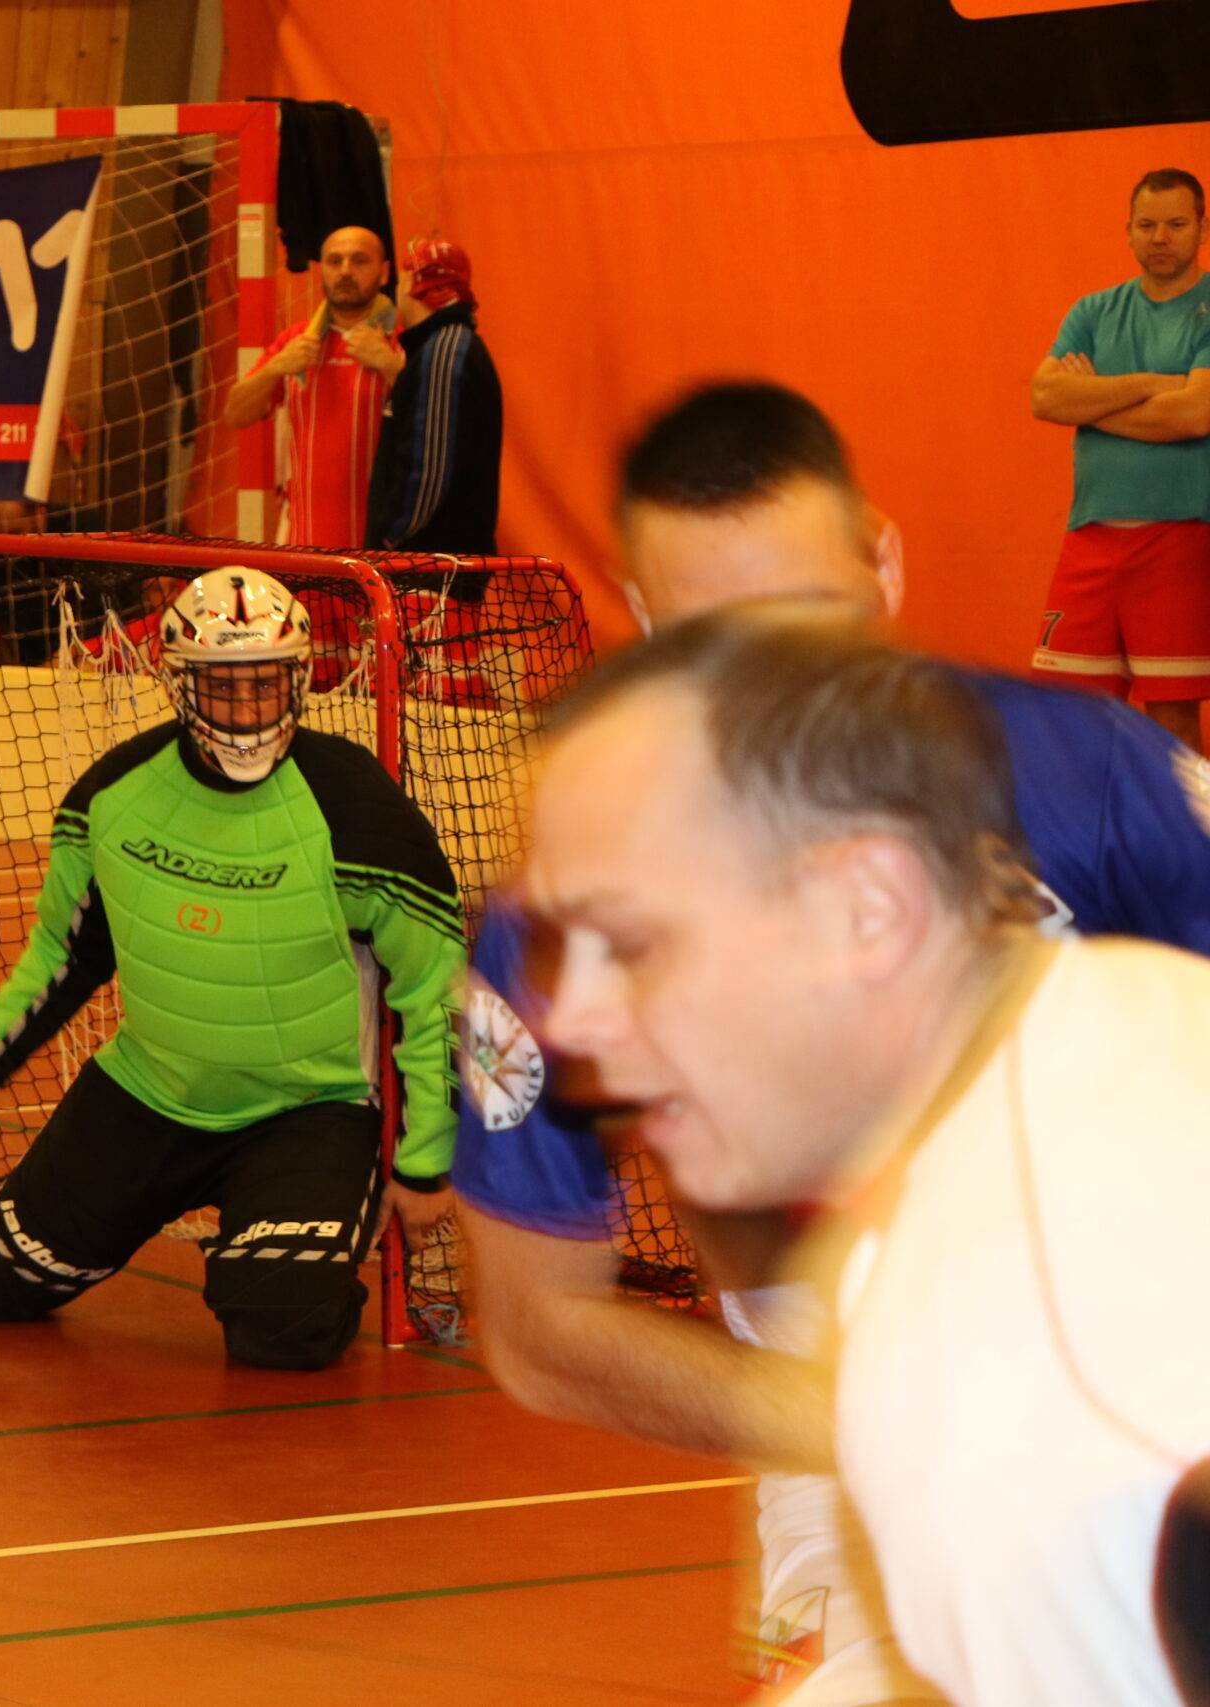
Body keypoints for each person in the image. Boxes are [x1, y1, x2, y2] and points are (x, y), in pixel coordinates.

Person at [458, 380, 1210, 1703]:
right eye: (719, 646)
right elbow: (537, 1327)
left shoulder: (1098, 784)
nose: (591, 1022)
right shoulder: (574, 889)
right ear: (646, 623)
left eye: (803, 627)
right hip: (844, 1380)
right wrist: (869, 1404)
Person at [0, 568, 465, 1370]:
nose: (246, 711)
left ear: (300, 679)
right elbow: (65, 951)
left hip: (310, 1112)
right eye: (222, 686)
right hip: (146, 1096)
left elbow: (437, 988)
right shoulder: (113, 796)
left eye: (266, 684)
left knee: (285, 1326)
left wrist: (425, 1161)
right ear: (180, 684)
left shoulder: (357, 808)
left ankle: (280, 1246)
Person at [1028, 168, 1210, 751]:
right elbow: (1045, 397)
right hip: (1090, 538)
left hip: (1178, 537)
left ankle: (1184, 819)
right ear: (1128, 231)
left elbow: (1194, 415)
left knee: (1172, 720)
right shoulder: (1093, 311)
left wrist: (1092, 402)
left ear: (1202, 229)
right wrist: (1154, 384)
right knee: (1068, 716)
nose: (1161, 237)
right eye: (1147, 225)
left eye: (1176, 224)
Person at [221, 225, 401, 548]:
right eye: (334, 261)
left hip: (384, 548)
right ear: (321, 271)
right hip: (307, 545)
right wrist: (277, 366)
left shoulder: (402, 341)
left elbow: (437, 419)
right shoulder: (298, 341)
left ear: (384, 272)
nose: (345, 271)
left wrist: (390, 365)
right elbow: (235, 413)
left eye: (359, 260)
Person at [366, 236, 502, 556]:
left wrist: (388, 544)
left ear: (413, 284)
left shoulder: (444, 352)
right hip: (433, 562)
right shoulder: (444, 347)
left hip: (429, 566)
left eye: (402, 279)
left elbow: (428, 473)